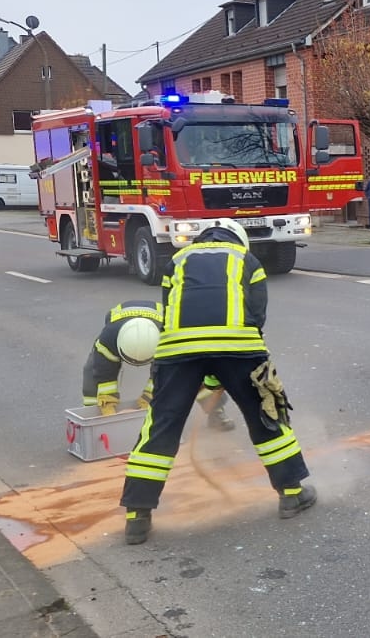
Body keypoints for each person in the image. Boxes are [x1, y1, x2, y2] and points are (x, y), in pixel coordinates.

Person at [120, 218, 314, 545]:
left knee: (161, 426)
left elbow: (170, 310)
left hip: (178, 352)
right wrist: (232, 369)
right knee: (267, 413)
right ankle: (291, 494)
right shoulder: (246, 260)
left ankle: (137, 514)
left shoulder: (177, 261)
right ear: (238, 240)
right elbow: (257, 313)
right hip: (239, 348)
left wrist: (204, 369)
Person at [82, 300, 234, 430]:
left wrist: (147, 401)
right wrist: (108, 407)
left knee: (192, 372)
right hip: (120, 330)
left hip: (161, 335)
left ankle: (216, 412)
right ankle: (91, 419)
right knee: (91, 371)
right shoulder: (107, 341)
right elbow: (103, 375)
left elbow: (162, 376)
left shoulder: (168, 337)